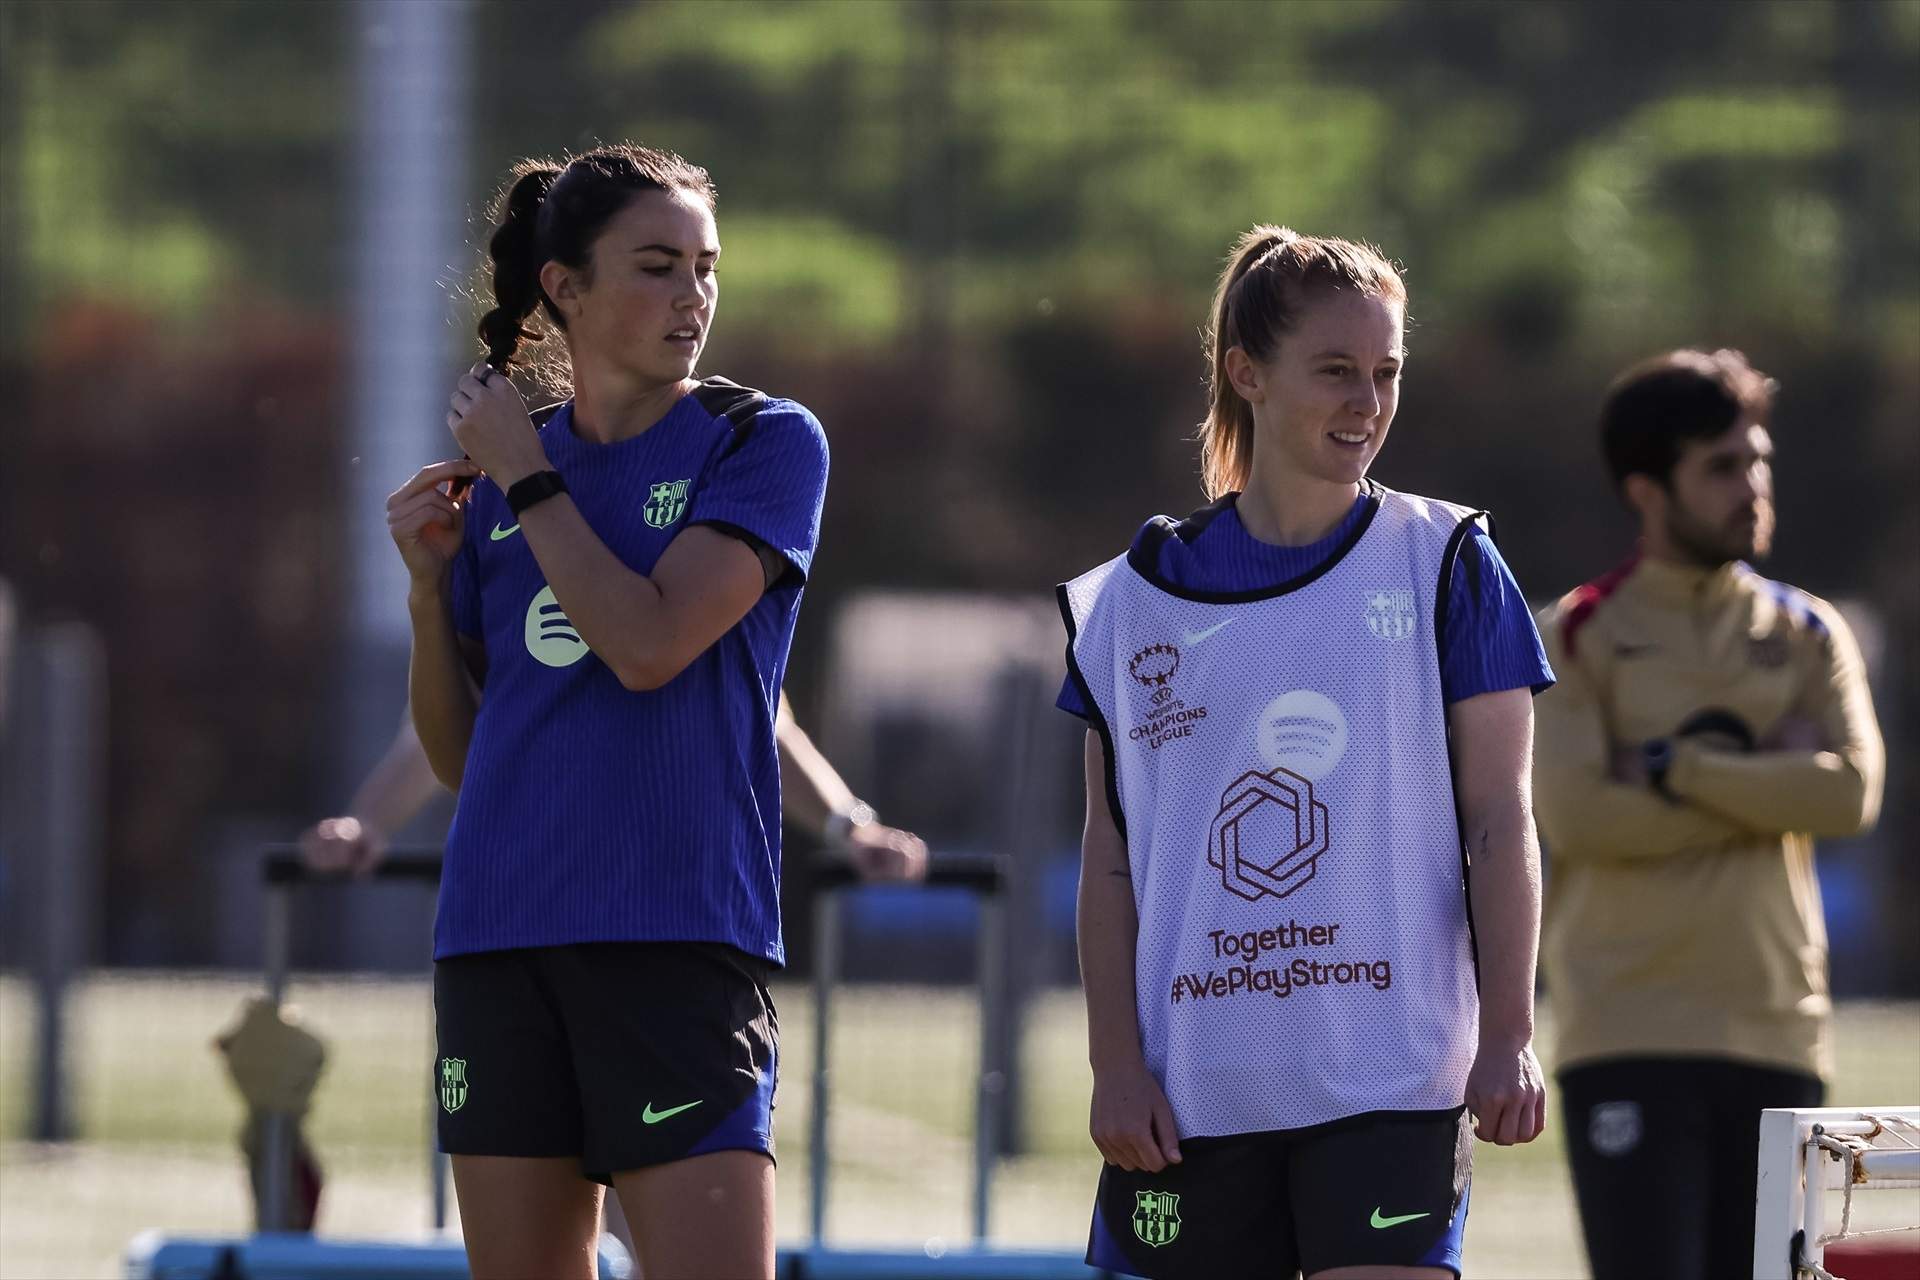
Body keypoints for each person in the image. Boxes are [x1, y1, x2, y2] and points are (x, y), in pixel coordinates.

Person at [1056, 226, 1553, 1280]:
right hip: (1192, 1099)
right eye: (1336, 371)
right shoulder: (1131, 598)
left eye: (1387, 374)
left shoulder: (1449, 560)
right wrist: (1115, 1064)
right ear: (1247, 373)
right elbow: (1109, 855)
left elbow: (1501, 818)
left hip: (1391, 1080)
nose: (1367, 402)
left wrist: (1508, 1030)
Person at [384, 144, 827, 1280]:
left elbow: (646, 645)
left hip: (671, 935)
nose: (694, 296)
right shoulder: (496, 485)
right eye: (657, 265)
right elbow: (458, 758)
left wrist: (530, 482)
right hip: (497, 937)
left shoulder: (761, 441)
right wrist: (431, 592)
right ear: (564, 289)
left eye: (706, 266)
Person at [1532, 349, 1885, 1280]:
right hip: (1627, 1032)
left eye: (1757, 461)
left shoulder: (1808, 632)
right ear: (1647, 490)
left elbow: (1849, 794)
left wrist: (1665, 767)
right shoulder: (1573, 635)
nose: (1752, 486)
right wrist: (1766, 781)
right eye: (1723, 467)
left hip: (1782, 1029)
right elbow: (1577, 819)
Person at [301, 696, 928, 885]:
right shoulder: (503, 536)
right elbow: (439, 732)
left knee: (649, 1182)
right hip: (523, 924)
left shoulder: (699, 534)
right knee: (535, 1185)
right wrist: (367, 823)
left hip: (669, 924)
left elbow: (763, 726)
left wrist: (852, 825)